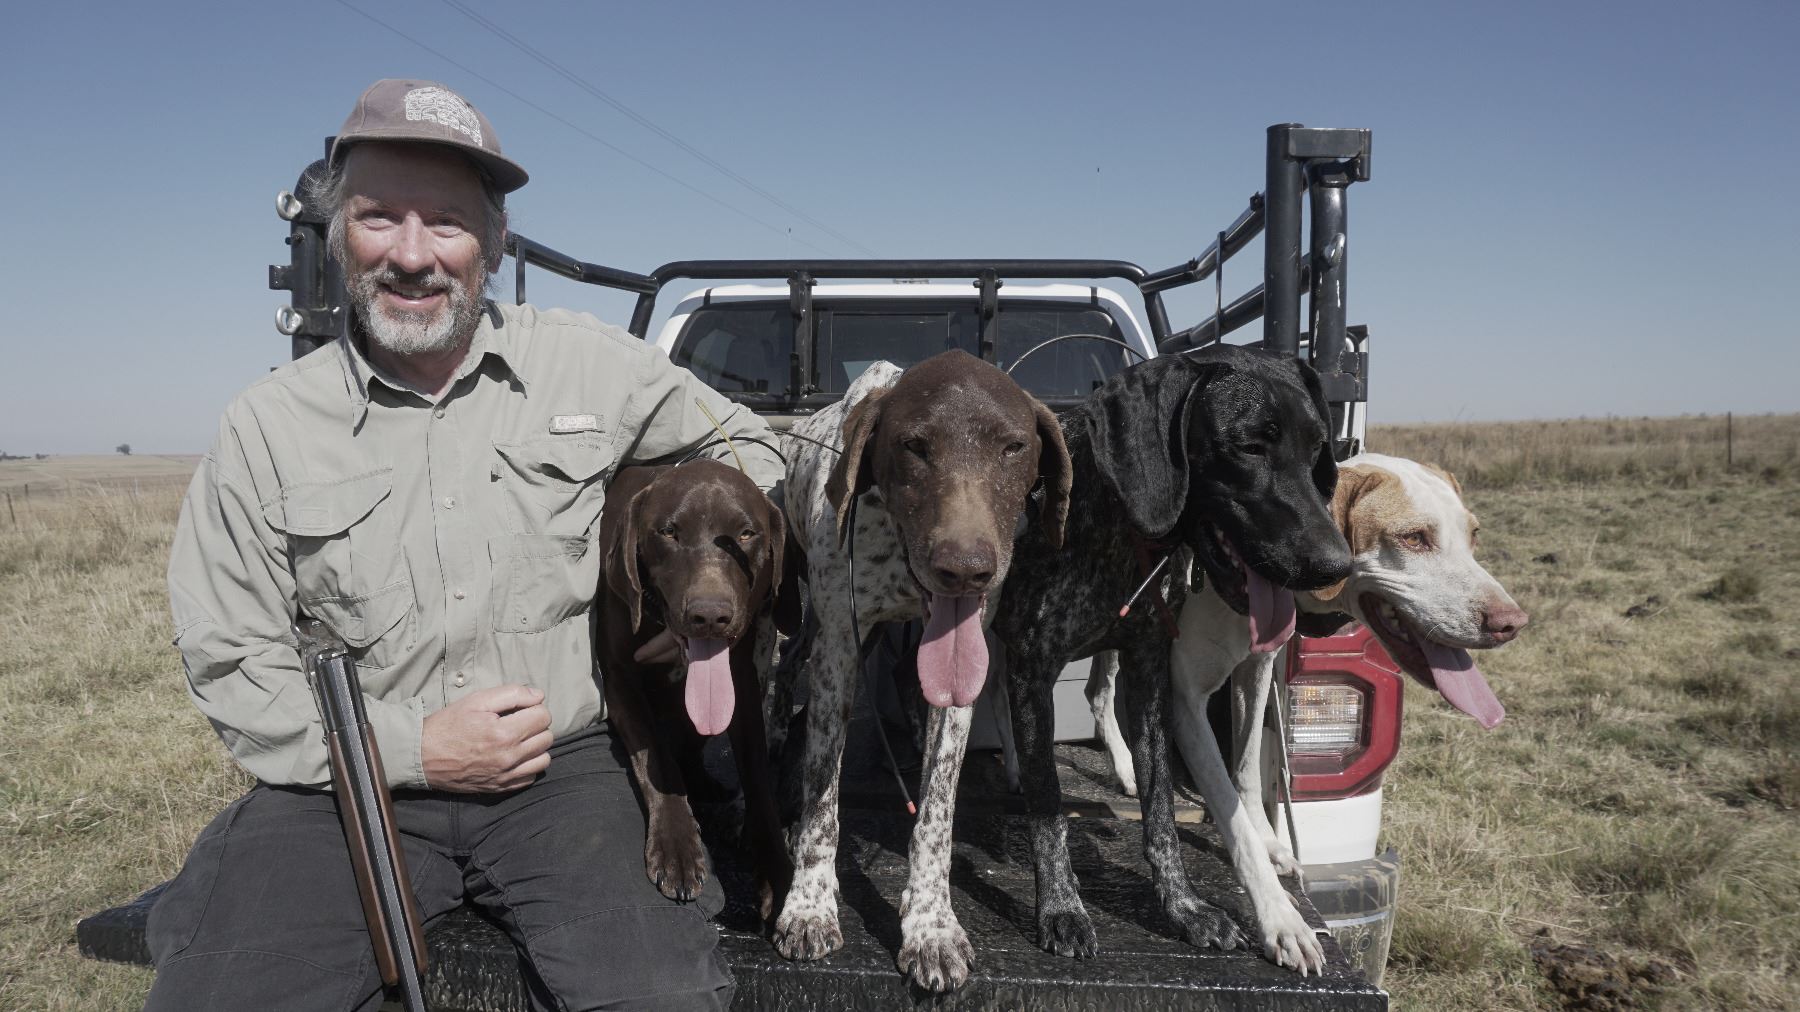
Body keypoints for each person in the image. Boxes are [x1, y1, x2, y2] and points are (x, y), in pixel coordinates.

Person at [149, 79, 782, 1011]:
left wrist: (661, 572)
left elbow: (753, 454)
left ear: (492, 242)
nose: (412, 255)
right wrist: (412, 748)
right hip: (345, 787)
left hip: (565, 776)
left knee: (659, 996)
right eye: (378, 216)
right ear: (338, 236)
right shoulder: (265, 428)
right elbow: (230, 657)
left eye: (445, 222)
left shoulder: (592, 366)